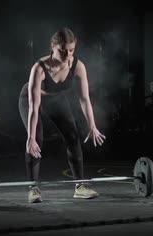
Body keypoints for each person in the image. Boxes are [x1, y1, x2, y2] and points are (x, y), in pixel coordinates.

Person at [18, 27, 106, 203]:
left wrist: (92, 126)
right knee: (36, 140)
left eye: (71, 50)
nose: (68, 55)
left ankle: (79, 186)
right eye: (63, 50)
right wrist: (30, 136)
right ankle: (33, 188)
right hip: (30, 101)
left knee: (73, 136)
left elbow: (84, 99)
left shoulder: (78, 66)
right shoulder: (39, 68)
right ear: (53, 46)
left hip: (56, 100)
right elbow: (34, 107)